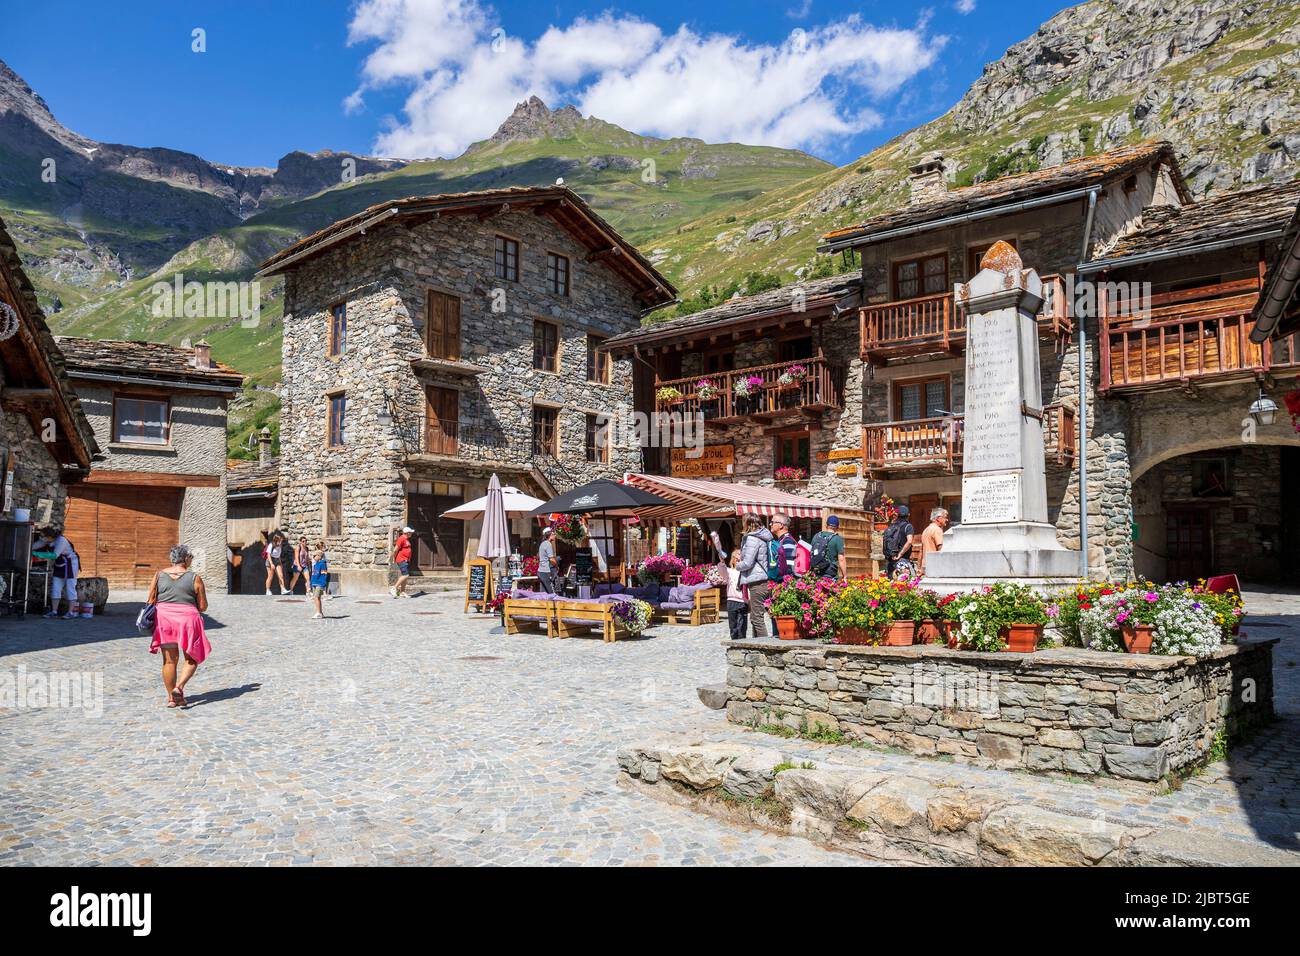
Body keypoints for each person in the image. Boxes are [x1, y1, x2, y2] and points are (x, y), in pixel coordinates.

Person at [147, 544, 210, 708]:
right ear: (186, 559)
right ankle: (179, 688)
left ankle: (171, 698)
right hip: (188, 621)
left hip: (164, 620)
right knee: (192, 658)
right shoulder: (194, 578)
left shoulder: (159, 575)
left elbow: (151, 600)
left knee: (169, 661)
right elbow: (203, 606)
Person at [735, 512, 773, 638]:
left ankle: (764, 646)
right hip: (761, 579)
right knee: (755, 617)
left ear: (747, 523)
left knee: (757, 618)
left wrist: (737, 565)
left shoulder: (752, 538)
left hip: (758, 581)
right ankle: (756, 645)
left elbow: (748, 562)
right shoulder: (762, 536)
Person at [36, 527, 80, 620]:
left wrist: (37, 554)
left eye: (42, 536)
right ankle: (54, 611)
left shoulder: (61, 541)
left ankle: (71, 612)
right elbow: (34, 545)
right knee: (55, 588)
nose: (41, 538)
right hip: (59, 565)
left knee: (70, 588)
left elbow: (54, 555)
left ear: (49, 536)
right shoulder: (47, 540)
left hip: (70, 565)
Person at [884, 505, 916, 579]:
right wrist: (900, 554)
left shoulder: (892, 526)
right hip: (903, 561)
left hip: (891, 561)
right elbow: (909, 541)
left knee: (891, 585)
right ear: (908, 515)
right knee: (906, 586)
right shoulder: (908, 526)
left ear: (897, 515)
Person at [810, 515, 846, 580]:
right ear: (837, 527)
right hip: (829, 575)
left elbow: (810, 552)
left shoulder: (816, 536)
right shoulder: (837, 539)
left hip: (815, 573)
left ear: (826, 525)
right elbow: (841, 559)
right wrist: (845, 575)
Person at [918, 507, 950, 576]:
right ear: (938, 518)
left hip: (925, 565)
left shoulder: (926, 530)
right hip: (934, 566)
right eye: (945, 517)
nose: (947, 520)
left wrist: (919, 568)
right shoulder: (937, 530)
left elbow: (921, 551)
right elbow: (941, 549)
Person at [725, 549, 748, 640]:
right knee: (733, 625)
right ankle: (734, 642)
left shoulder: (745, 572)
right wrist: (722, 562)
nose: (739, 558)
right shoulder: (729, 571)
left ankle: (742, 644)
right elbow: (722, 571)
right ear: (733, 559)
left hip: (742, 601)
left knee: (742, 626)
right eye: (737, 557)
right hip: (731, 600)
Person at [391, 526, 413, 598]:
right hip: (401, 559)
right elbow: (395, 550)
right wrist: (394, 558)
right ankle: (394, 588)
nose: (412, 533)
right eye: (411, 532)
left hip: (406, 560)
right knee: (406, 575)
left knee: (405, 576)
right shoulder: (401, 539)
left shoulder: (406, 539)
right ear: (407, 533)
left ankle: (402, 592)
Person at [309, 546, 330, 619]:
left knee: (316, 597)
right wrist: (311, 583)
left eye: (315, 556)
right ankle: (320, 612)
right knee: (317, 598)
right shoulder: (316, 564)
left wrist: (323, 584)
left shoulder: (322, 564)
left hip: (319, 583)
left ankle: (318, 613)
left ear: (319, 556)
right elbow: (313, 574)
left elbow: (324, 574)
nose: (313, 557)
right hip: (314, 583)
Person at [537, 527, 558, 594]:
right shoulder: (548, 544)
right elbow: (551, 559)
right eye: (554, 534)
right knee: (551, 594)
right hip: (546, 572)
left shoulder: (542, 543)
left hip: (540, 571)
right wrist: (556, 566)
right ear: (550, 535)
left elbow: (539, 556)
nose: (555, 535)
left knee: (543, 594)